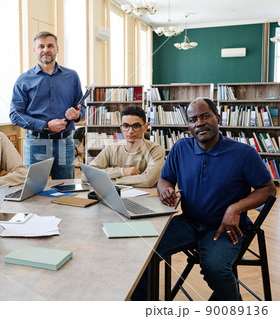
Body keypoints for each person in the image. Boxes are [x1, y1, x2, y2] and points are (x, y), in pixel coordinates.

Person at [132, 98, 277, 301]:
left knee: (216, 269)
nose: (199, 122)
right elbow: (165, 178)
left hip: (226, 229)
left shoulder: (243, 153)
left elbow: (269, 190)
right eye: (193, 119)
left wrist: (235, 208)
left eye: (205, 116)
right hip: (188, 222)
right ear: (189, 125)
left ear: (217, 117)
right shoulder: (180, 148)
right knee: (142, 252)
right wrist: (165, 189)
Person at [10, 31, 85, 179]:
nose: (46, 50)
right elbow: (15, 115)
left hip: (65, 143)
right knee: (34, 190)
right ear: (34, 50)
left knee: (66, 190)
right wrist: (45, 126)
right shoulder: (23, 80)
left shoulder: (72, 76)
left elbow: (83, 107)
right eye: (41, 46)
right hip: (36, 142)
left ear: (57, 48)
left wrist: (78, 114)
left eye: (50, 45)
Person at [82, 106, 165, 187]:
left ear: (145, 127)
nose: (130, 131)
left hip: (147, 197)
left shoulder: (156, 150)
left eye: (136, 126)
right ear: (121, 128)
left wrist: (112, 181)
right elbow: (86, 176)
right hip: (115, 196)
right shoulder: (111, 149)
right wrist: (122, 172)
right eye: (126, 126)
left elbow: (148, 180)